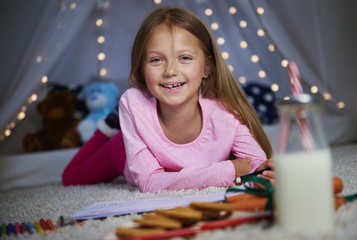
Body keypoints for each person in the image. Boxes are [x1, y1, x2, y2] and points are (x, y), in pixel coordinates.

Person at [62, 7, 274, 193]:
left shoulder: (225, 113)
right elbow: (151, 183)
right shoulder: (133, 103)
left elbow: (255, 165)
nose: (171, 71)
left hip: (145, 123)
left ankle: (119, 121)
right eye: (156, 60)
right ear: (142, 69)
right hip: (121, 151)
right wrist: (227, 170)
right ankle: (111, 123)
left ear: (207, 68)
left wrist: (267, 172)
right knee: (71, 178)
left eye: (185, 58)